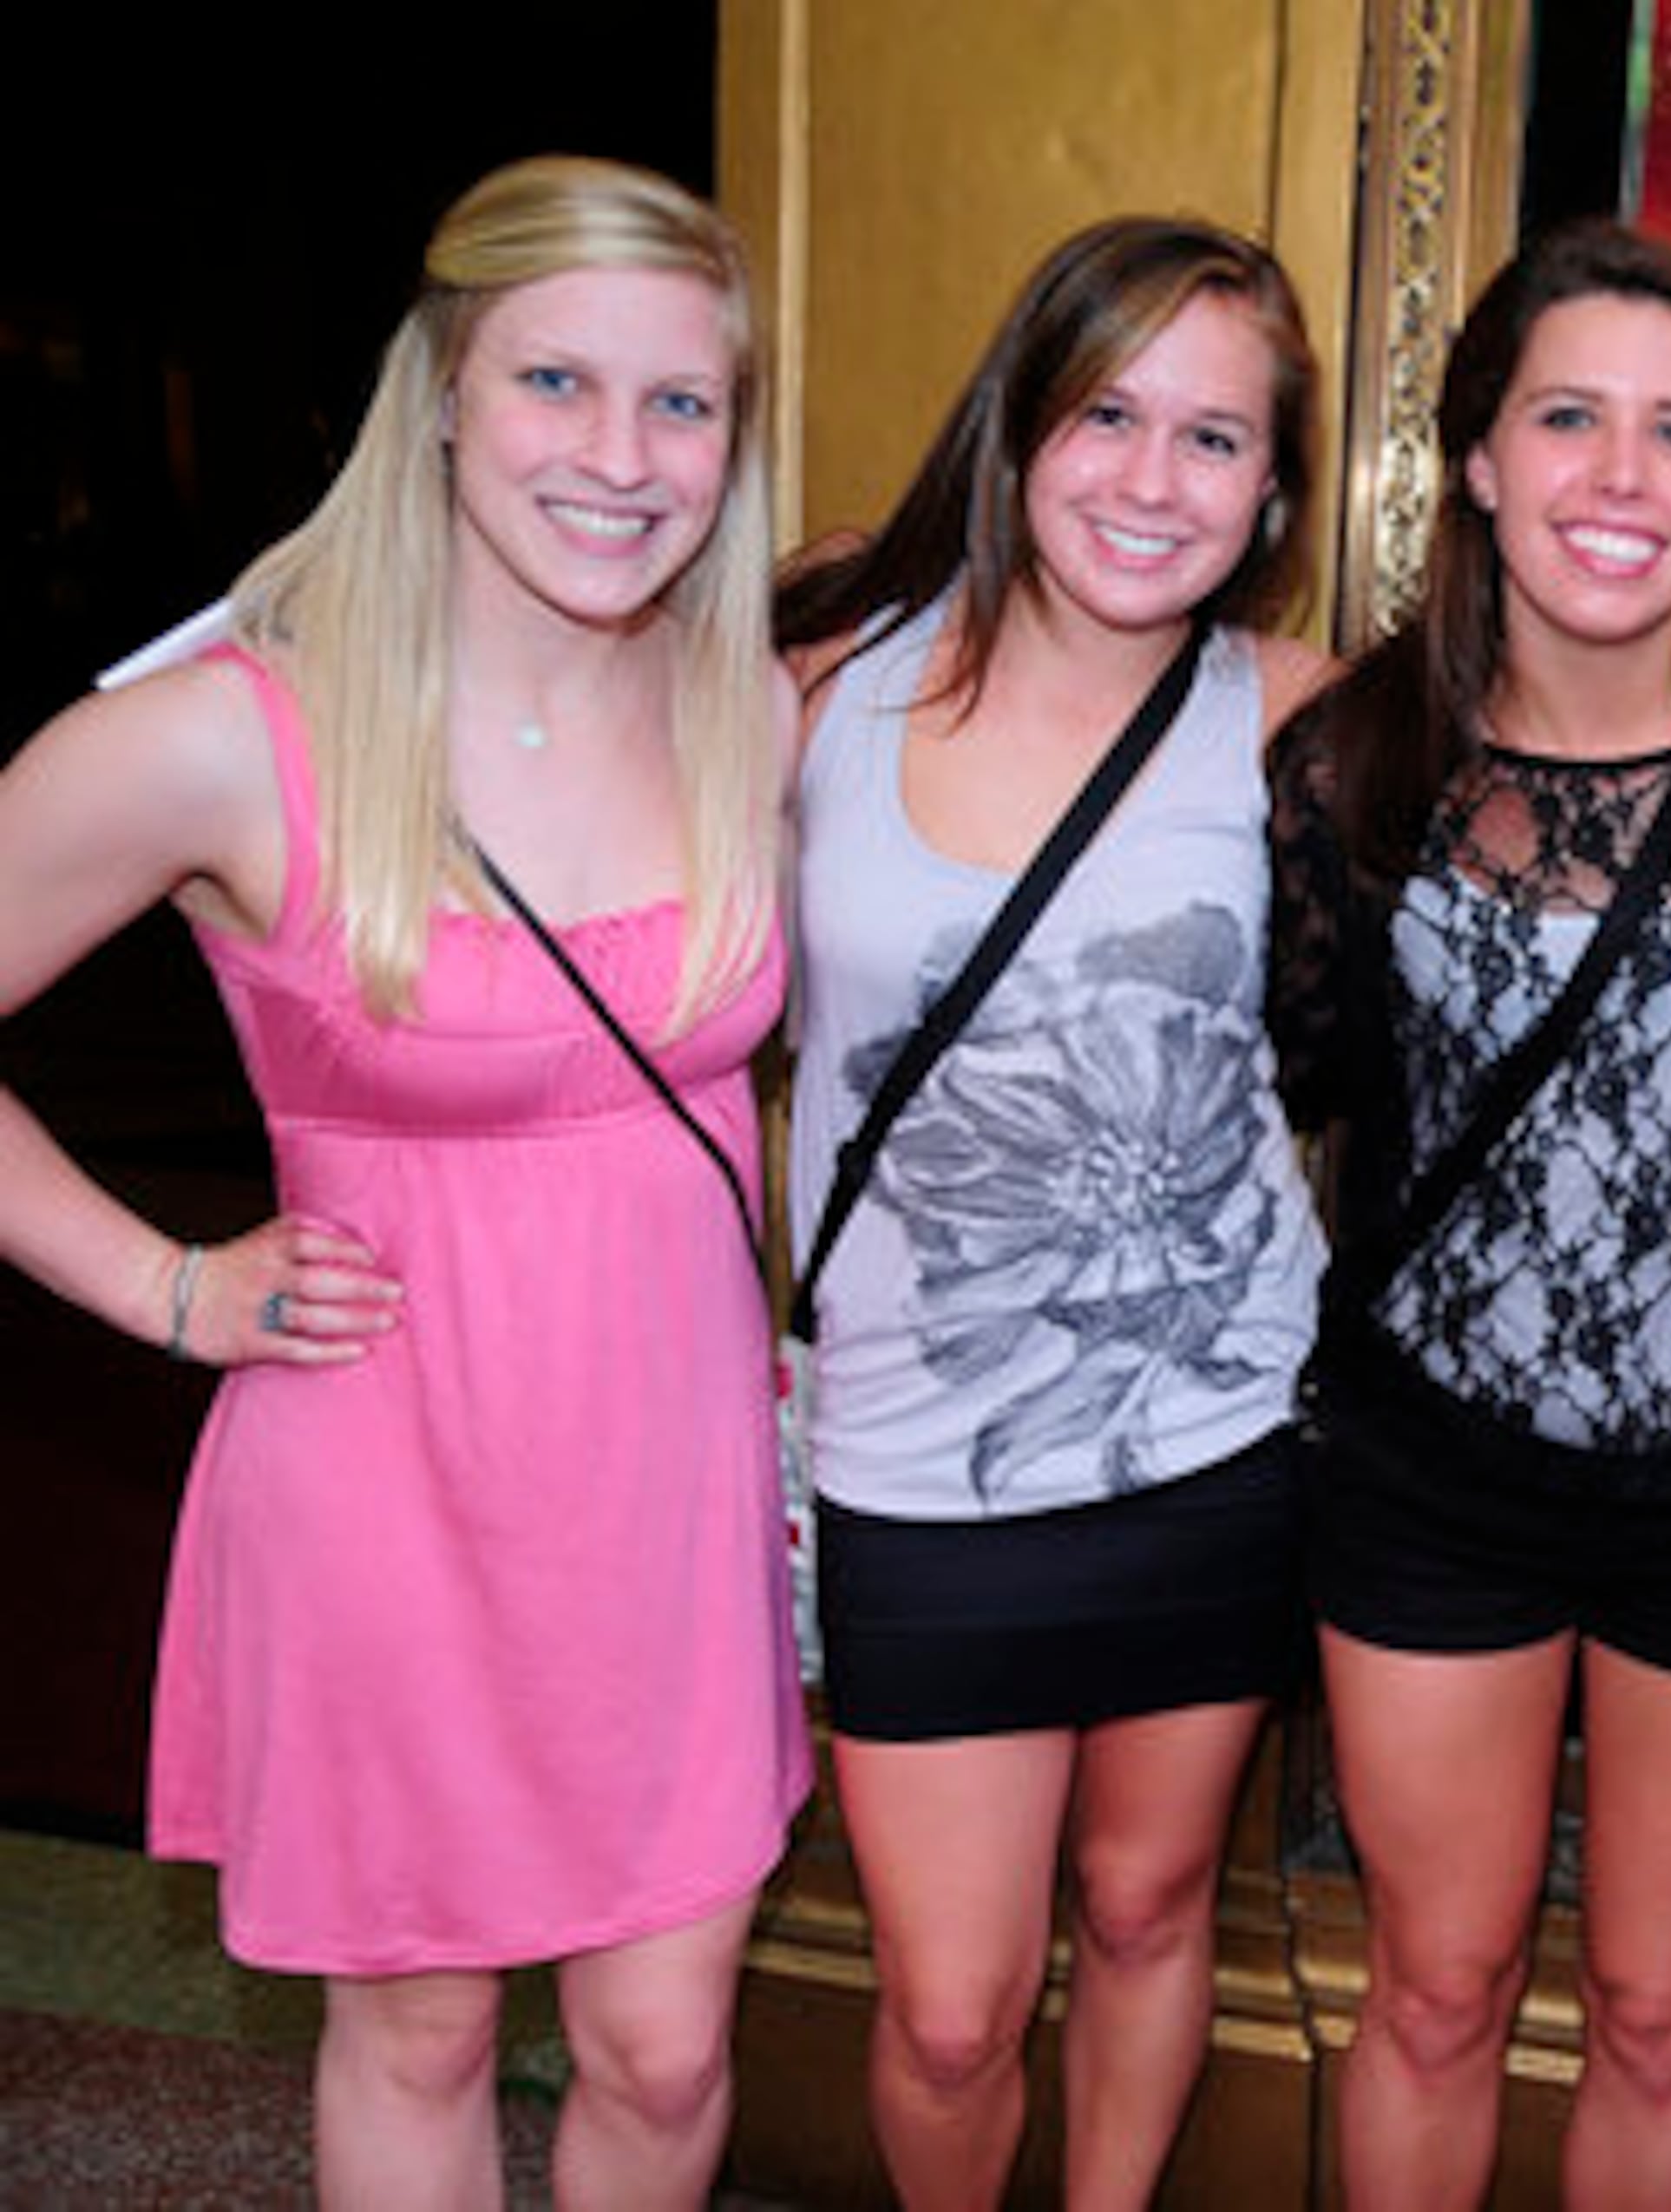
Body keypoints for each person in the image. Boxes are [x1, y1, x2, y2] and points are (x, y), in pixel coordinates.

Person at [0, 155, 806, 2205]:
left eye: (682, 404)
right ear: (443, 386)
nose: (619, 459)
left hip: (669, 1485)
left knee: (664, 2038)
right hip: (387, 1475)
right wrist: (161, 1285)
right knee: (426, 2026)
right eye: (556, 383)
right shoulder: (226, 736)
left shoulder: (747, 712)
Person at [1267, 218, 1671, 2212]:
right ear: (1477, 455)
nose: (1623, 482)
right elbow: (1312, 1093)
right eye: (1570, 419)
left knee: (1660, 2007)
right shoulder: (1353, 766)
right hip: (1433, 1474)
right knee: (1437, 1987)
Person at [770, 216, 1330, 2212]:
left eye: (1213, 438)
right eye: (1110, 412)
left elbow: (1588, 773)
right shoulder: (826, 676)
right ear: (1022, 415)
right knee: (945, 2005)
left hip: (1212, 1430)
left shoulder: (1298, 718)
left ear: (1273, 488)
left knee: (1156, 1902)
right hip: (917, 1454)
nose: (1150, 479)